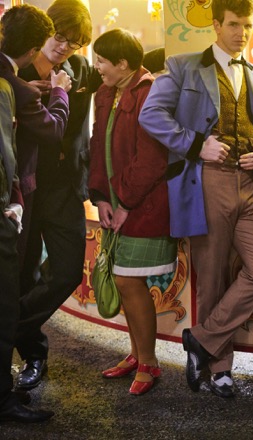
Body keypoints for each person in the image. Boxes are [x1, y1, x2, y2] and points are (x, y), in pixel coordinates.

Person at [139, 0, 253, 399]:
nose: (241, 33)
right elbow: (151, 115)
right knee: (213, 275)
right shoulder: (183, 65)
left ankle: (200, 339)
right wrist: (196, 144)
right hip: (207, 180)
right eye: (234, 25)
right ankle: (220, 369)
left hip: (249, 182)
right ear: (216, 25)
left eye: (247, 26)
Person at [88, 28, 177, 396]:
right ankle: (136, 354)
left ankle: (149, 361)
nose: (97, 67)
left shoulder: (150, 91)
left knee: (127, 281)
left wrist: (124, 202)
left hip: (144, 204)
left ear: (123, 63)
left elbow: (152, 159)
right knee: (123, 281)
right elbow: (97, 144)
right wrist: (101, 197)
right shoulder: (106, 92)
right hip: (116, 203)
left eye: (101, 61)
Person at [13, 0, 93, 393]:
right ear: (46, 30)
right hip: (23, 187)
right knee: (23, 274)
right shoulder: (17, 69)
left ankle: (11, 327)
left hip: (63, 184)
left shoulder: (80, 69)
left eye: (74, 42)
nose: (64, 47)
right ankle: (34, 355)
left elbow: (121, 67)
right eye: (60, 36)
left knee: (67, 271)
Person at [0, 4, 67, 423]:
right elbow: (48, 132)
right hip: (9, 206)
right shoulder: (13, 86)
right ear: (32, 49)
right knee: (6, 304)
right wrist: (11, 203)